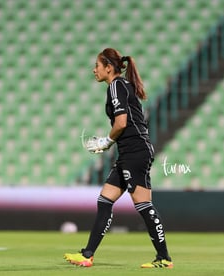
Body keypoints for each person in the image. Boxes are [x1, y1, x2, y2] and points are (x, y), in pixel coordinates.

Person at [64, 48, 173, 269]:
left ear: (109, 67)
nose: (94, 70)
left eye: (97, 65)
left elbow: (121, 122)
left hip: (135, 151)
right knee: (105, 200)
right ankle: (87, 255)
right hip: (131, 152)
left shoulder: (115, 86)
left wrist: (106, 141)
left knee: (143, 204)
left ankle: (164, 258)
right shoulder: (122, 86)